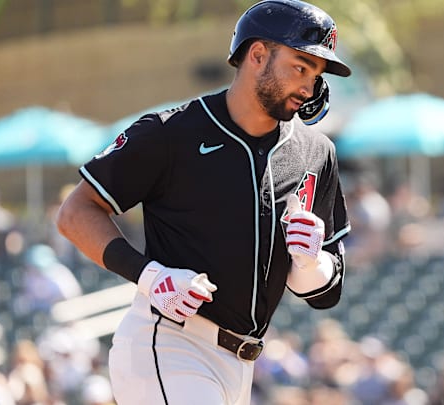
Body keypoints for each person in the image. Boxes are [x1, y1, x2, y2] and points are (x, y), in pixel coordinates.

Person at [55, 1, 351, 404]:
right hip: (169, 343)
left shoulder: (316, 153)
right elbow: (76, 213)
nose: (309, 86)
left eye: (316, 74)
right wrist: (149, 275)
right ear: (258, 54)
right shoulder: (170, 133)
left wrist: (309, 261)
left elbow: (324, 295)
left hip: (243, 365)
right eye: (301, 66)